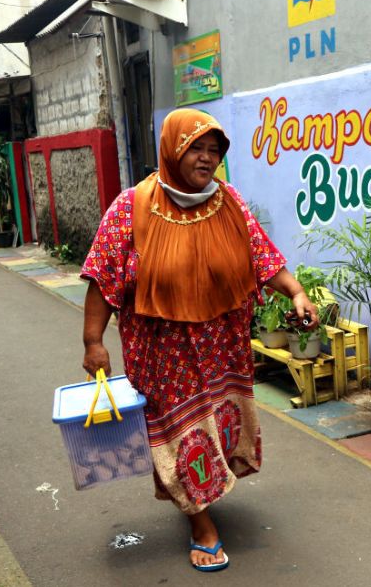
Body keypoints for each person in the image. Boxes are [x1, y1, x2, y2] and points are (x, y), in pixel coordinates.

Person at [80, 108, 318, 572]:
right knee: (181, 433)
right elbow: (102, 279)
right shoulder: (131, 207)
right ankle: (202, 523)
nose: (206, 159)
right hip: (163, 353)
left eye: (214, 150)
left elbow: (261, 255)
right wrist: (93, 341)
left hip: (222, 346)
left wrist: (296, 291)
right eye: (196, 148)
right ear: (173, 149)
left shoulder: (226, 201)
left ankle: (204, 495)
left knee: (218, 431)